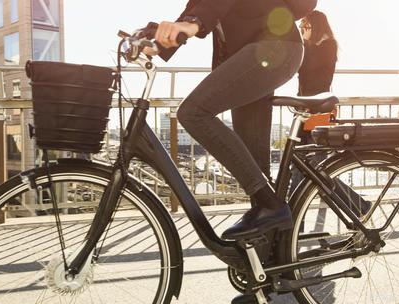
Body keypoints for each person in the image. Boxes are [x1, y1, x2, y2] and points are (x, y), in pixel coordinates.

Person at [143, 1, 303, 242]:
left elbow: (204, 13)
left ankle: (273, 207)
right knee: (255, 165)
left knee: (193, 111)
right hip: (255, 56)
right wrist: (156, 43)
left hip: (274, 49)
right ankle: (278, 255)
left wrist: (192, 24)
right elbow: (192, 15)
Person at [289, 11, 371, 216]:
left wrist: (305, 44)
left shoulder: (327, 46)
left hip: (318, 115)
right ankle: (289, 214)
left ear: (315, 25)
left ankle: (359, 205)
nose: (302, 30)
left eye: (304, 26)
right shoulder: (310, 47)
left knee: (317, 170)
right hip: (304, 113)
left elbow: (310, 73)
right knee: (299, 166)